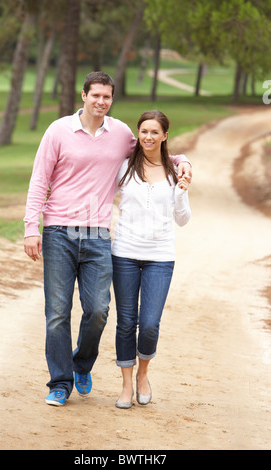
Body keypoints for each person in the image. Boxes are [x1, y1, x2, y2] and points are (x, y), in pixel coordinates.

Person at [23, 72, 192, 407]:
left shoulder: (120, 134)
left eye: (107, 97)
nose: (101, 102)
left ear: (111, 100)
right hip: (58, 231)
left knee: (99, 310)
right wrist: (32, 227)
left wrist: (182, 161)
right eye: (95, 95)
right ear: (82, 95)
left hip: (99, 234)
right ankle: (60, 382)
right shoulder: (58, 130)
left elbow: (152, 150)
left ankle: (81, 363)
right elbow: (39, 178)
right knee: (57, 312)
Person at [112, 110, 191, 409]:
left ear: (165, 135)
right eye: (143, 131)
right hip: (124, 254)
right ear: (138, 134)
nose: (148, 137)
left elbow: (182, 220)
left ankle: (143, 375)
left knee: (149, 325)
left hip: (160, 256)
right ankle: (125, 385)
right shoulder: (123, 168)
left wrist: (182, 193)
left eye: (154, 132)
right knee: (125, 322)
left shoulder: (175, 172)